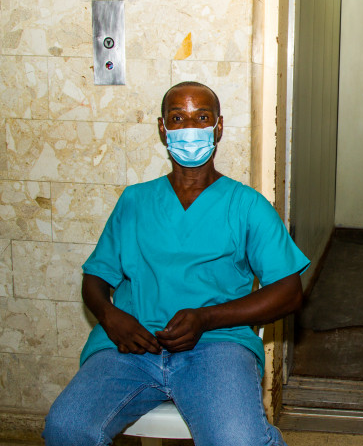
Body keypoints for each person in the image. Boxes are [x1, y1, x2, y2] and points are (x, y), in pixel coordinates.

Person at [43, 81, 309, 446]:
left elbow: (289, 292)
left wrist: (205, 318)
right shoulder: (135, 201)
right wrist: (110, 316)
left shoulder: (246, 205)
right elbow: (96, 276)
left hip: (217, 346)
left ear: (218, 127)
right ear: (162, 128)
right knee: (66, 428)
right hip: (131, 347)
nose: (190, 129)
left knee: (238, 440)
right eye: (178, 118)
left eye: (202, 118)